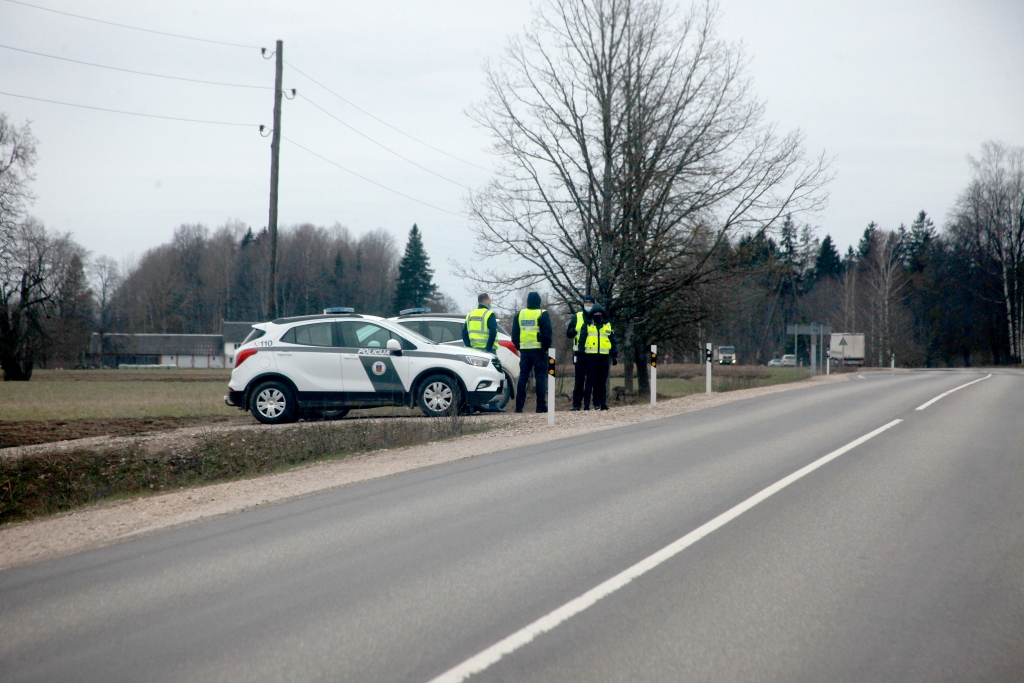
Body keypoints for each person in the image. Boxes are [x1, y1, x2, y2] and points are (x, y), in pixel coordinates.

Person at [512, 291, 553, 413]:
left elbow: (514, 335)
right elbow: (547, 334)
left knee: (523, 378)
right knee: (540, 378)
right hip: (539, 351)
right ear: (539, 302)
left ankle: (519, 408)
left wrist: (519, 347)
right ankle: (540, 407)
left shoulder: (520, 314)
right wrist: (545, 348)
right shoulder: (542, 314)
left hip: (525, 352)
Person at [578, 304, 617, 410]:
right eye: (595, 314)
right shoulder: (587, 325)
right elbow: (582, 340)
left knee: (602, 381)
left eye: (599, 314)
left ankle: (602, 403)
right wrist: (580, 354)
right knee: (590, 381)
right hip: (590, 357)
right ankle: (586, 405)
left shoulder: (607, 325)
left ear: (603, 314)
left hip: (604, 357)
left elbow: (613, 340)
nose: (597, 315)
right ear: (592, 315)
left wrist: (614, 354)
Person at [566, 295, 596, 411]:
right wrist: (573, 331)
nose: (588, 304)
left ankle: (590, 404)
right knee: (579, 380)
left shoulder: (597, 317)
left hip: (592, 353)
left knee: (591, 379)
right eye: (586, 302)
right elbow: (568, 333)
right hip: (579, 353)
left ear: (594, 304)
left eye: (590, 303)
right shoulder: (577, 317)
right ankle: (576, 404)